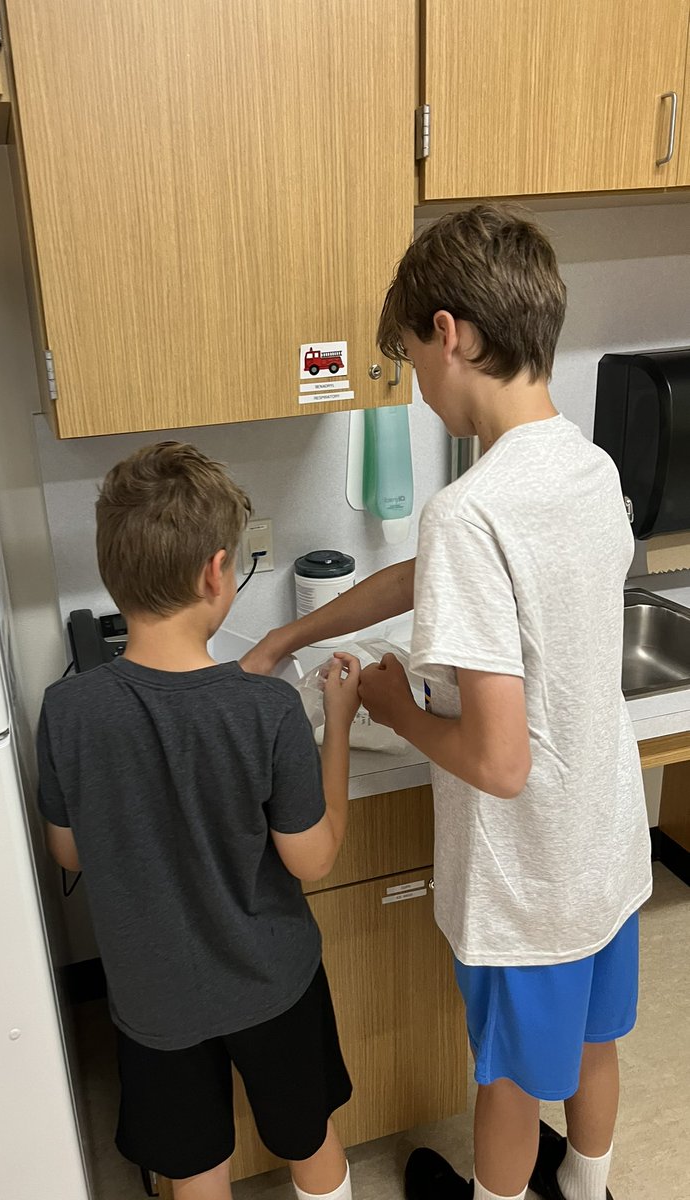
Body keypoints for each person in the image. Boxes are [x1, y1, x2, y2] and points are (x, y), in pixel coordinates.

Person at [243, 205, 651, 1200]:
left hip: (529, 879)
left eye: (413, 363)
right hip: (605, 848)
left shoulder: (472, 506)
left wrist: (392, 702)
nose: (420, 392)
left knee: (508, 1081)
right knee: (597, 1043)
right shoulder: (586, 468)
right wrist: (296, 631)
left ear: (450, 333)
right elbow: (436, 574)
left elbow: (500, 763)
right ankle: (588, 1191)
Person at [36, 441, 363, 1200]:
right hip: (273, 983)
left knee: (192, 1171)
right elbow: (311, 859)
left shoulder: (69, 710)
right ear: (217, 573)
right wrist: (338, 725)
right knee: (308, 1139)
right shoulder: (269, 709)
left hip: (153, 1001)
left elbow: (69, 850)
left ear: (113, 575)